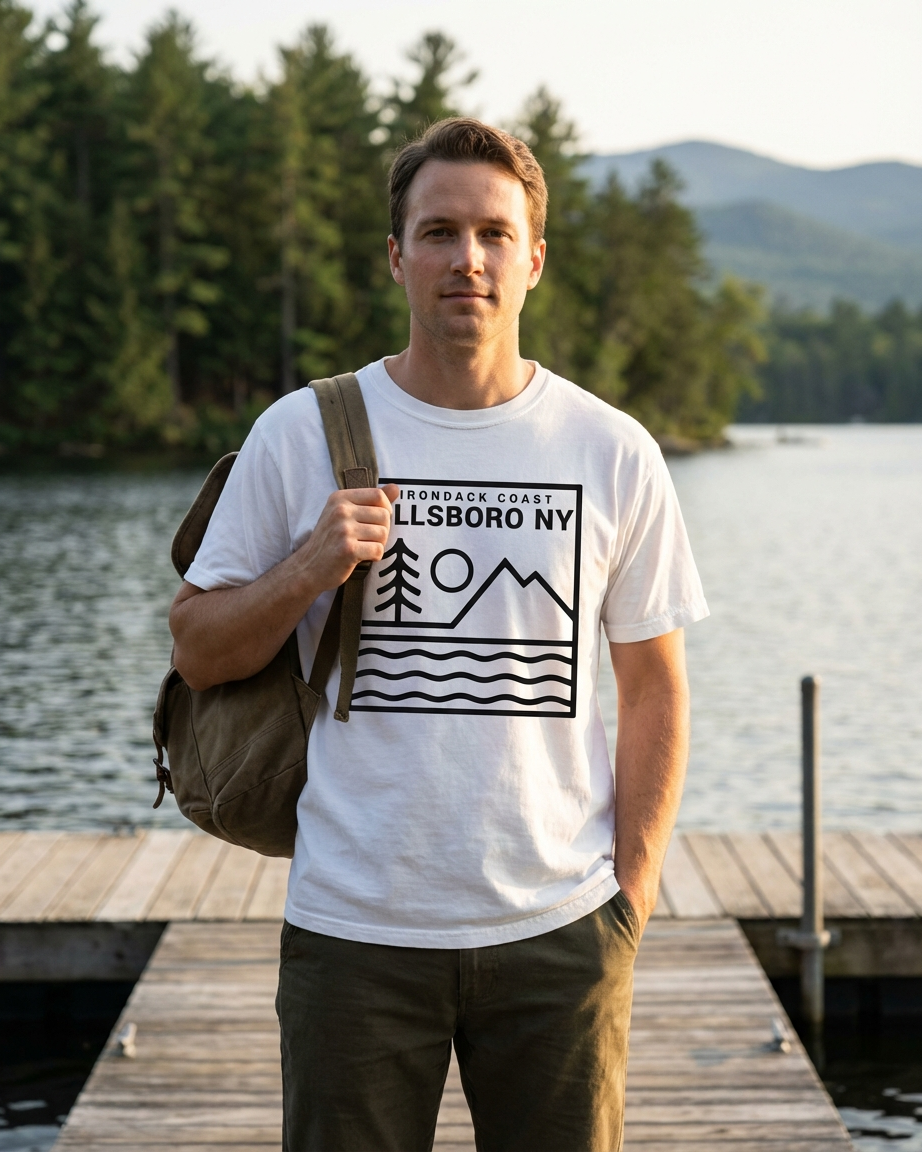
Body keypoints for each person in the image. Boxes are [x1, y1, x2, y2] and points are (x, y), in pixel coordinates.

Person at [169, 117, 708, 1152]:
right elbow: (198, 649)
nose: (468, 258)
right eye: (439, 231)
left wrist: (626, 902)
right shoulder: (301, 432)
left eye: (494, 234)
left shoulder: (611, 451)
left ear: (534, 259)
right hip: (353, 934)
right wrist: (308, 568)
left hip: (559, 931)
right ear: (397, 256)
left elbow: (653, 689)